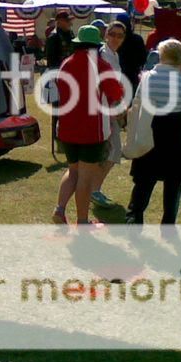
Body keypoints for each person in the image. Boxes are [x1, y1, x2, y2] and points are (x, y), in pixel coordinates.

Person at [52, 25, 124, 226]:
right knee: (85, 177)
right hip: (92, 129)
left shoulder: (66, 64)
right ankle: (82, 221)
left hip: (66, 126)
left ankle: (60, 209)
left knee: (72, 170)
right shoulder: (102, 66)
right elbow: (116, 94)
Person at [125, 39, 181, 228]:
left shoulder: (147, 77)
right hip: (176, 133)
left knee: (144, 181)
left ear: (162, 55)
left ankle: (134, 220)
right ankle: (168, 226)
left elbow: (136, 105)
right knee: (173, 184)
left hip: (150, 129)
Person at [91, 21, 127, 208]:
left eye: (120, 35)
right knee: (112, 151)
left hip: (111, 108)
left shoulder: (114, 55)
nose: (116, 38)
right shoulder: (104, 55)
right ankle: (93, 190)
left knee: (110, 151)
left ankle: (94, 189)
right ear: (106, 34)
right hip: (106, 109)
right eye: (112, 34)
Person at [115, 13, 147, 93]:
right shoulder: (137, 39)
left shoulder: (115, 39)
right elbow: (143, 59)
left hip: (118, 75)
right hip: (133, 75)